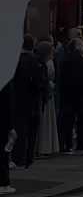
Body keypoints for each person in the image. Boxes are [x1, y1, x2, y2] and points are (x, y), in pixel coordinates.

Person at [60, 38, 83, 155]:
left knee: (68, 121)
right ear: (79, 47)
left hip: (69, 93)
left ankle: (68, 146)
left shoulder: (65, 58)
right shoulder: (82, 58)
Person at [11, 35, 43, 168]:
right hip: (34, 101)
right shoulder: (37, 61)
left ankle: (19, 159)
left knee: (20, 130)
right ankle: (29, 158)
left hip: (20, 100)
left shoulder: (18, 61)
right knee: (31, 131)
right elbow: (40, 83)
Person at [35, 41, 60, 156]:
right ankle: (47, 147)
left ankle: (43, 147)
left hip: (47, 93)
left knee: (45, 121)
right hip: (48, 93)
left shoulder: (45, 63)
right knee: (47, 120)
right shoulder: (49, 63)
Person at [0, 82, 15, 194]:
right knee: (3, 153)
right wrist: (11, 127)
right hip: (2, 122)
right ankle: (3, 184)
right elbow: (7, 105)